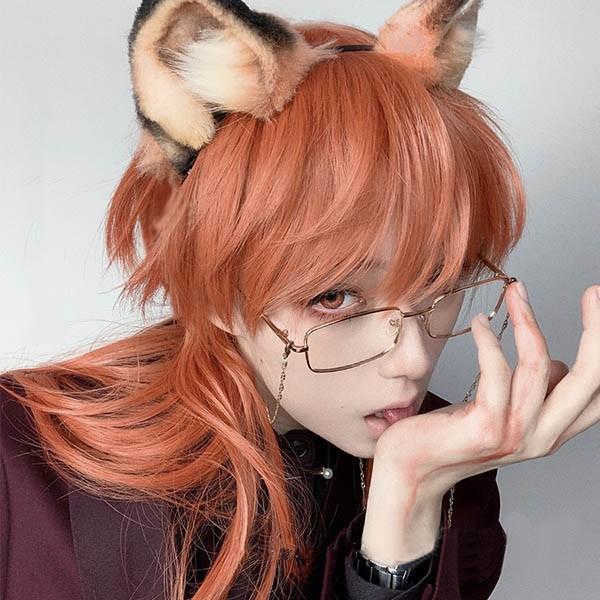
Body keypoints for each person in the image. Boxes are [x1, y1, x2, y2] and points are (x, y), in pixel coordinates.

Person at [1, 0, 598, 599]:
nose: (413, 359)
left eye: (440, 284)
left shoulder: (453, 465)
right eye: (335, 297)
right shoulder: (21, 465)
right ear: (218, 288)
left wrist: (408, 500)